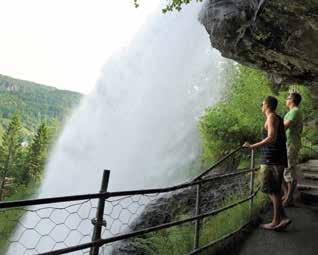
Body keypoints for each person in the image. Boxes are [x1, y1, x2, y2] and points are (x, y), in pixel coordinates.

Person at [244, 96, 291, 230]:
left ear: (267, 105)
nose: (261, 106)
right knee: (273, 189)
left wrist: (253, 146)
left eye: (262, 103)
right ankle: (282, 218)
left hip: (272, 159)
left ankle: (277, 221)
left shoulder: (271, 117)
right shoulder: (276, 117)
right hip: (277, 158)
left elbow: (271, 138)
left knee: (272, 190)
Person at [282, 92, 303, 207]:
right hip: (290, 143)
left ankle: (289, 198)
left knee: (288, 170)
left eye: (287, 98)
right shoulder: (293, 112)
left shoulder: (295, 111)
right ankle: (287, 195)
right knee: (287, 169)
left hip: (291, 144)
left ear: (292, 100)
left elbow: (285, 126)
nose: (286, 100)